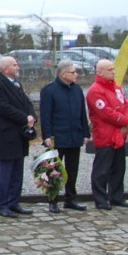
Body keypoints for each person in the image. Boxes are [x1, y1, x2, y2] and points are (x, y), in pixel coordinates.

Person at [39, 60, 91, 213]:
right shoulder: (49, 90)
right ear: (63, 74)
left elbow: (82, 113)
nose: (76, 75)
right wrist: (47, 135)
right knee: (54, 170)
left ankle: (70, 199)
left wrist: (85, 133)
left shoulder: (77, 90)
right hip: (57, 137)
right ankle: (52, 200)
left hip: (74, 135)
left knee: (72, 169)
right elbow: (45, 115)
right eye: (73, 72)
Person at [0, 56, 37, 218]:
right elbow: (3, 108)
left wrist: (31, 116)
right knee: (6, 171)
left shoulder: (16, 83)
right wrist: (24, 118)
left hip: (20, 134)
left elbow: (26, 102)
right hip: (7, 134)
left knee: (17, 170)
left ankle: (14, 202)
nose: (18, 67)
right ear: (5, 69)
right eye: (15, 65)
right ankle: (2, 204)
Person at [87, 59, 128, 210]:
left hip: (119, 135)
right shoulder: (95, 91)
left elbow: (125, 105)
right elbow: (106, 113)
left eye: (113, 69)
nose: (113, 72)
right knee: (102, 170)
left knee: (119, 167)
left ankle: (117, 196)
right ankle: (100, 199)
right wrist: (124, 121)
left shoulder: (116, 88)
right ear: (100, 72)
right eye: (109, 70)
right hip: (105, 135)